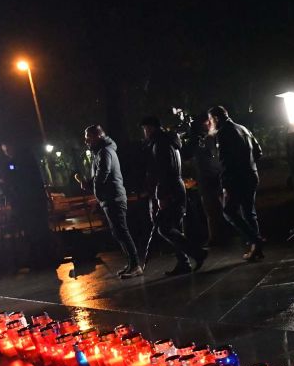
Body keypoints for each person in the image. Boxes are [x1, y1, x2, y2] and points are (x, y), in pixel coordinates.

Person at [141, 116, 206, 276]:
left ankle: (197, 253)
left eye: (145, 129)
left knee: (165, 228)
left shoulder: (160, 144)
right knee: (174, 227)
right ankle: (183, 263)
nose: (144, 133)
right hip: (176, 187)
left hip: (169, 189)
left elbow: (164, 171)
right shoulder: (169, 141)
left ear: (151, 128)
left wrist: (161, 195)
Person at [83, 125, 142, 278]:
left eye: (88, 137)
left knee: (122, 231)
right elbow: (100, 174)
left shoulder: (104, 152)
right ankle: (131, 263)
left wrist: (90, 185)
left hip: (114, 197)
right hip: (110, 197)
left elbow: (103, 173)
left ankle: (135, 265)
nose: (86, 141)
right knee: (118, 232)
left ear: (97, 136)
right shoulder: (102, 151)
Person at [209, 105, 264, 261]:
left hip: (237, 179)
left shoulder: (224, 133)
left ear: (216, 118)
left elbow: (226, 162)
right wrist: (250, 165)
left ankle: (255, 240)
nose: (210, 124)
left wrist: (225, 185)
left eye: (211, 120)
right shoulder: (243, 128)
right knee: (249, 212)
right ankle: (256, 248)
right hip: (251, 175)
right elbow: (258, 151)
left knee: (229, 212)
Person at [0, 142, 52, 269]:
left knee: (34, 231)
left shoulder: (20, 162)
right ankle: (43, 258)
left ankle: (40, 259)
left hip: (29, 203)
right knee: (37, 230)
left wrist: (6, 181)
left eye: (7, 150)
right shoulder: (27, 159)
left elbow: (18, 180)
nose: (6, 154)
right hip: (33, 202)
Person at [183, 112, 230, 247]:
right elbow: (188, 155)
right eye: (206, 122)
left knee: (223, 207)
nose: (209, 124)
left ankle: (223, 234)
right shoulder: (198, 140)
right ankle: (215, 236)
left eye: (209, 121)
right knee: (210, 209)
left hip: (217, 176)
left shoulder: (215, 136)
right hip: (207, 178)